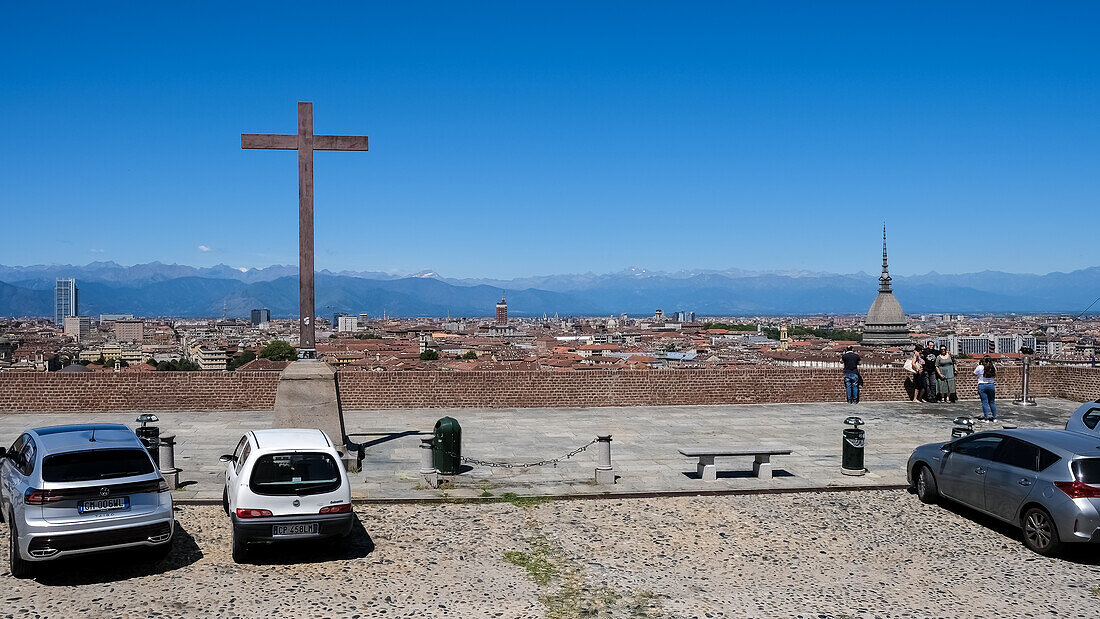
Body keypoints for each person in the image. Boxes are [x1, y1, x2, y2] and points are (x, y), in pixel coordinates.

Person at [974, 355, 998, 422]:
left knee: (984, 402)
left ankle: (986, 418)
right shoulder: (993, 367)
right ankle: (994, 418)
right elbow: (995, 375)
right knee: (992, 402)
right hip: (991, 385)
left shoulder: (980, 367)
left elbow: (974, 373)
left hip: (982, 385)